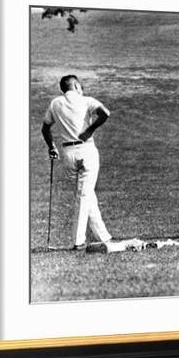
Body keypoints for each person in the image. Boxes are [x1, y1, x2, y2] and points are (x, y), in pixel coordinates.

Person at [41, 74, 112, 250]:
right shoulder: (86, 100)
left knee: (87, 196)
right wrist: (90, 130)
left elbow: (45, 128)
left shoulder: (55, 103)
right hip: (87, 150)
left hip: (68, 154)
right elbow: (105, 113)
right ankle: (78, 241)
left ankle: (104, 236)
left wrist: (52, 147)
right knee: (84, 196)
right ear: (75, 86)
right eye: (80, 86)